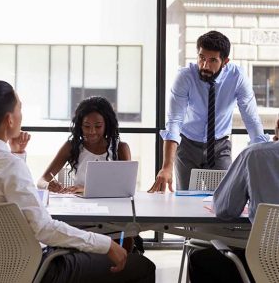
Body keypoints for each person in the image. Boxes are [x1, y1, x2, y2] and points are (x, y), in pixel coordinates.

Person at [0, 80, 155, 283]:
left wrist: (17, 154)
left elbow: (6, 195)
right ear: (10, 120)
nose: (22, 113)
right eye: (20, 108)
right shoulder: (10, 165)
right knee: (142, 266)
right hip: (40, 269)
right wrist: (105, 243)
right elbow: (44, 229)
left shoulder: (2, 162)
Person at [149, 30, 269, 192]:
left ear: (225, 61)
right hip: (188, 146)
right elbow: (175, 121)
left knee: (224, 199)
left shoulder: (237, 77)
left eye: (212, 60)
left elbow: (251, 119)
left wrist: (264, 159)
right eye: (202, 58)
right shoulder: (185, 77)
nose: (205, 65)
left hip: (219, 146)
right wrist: (167, 167)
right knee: (186, 201)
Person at [188, 127, 279, 283]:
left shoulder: (253, 154)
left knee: (200, 259)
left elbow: (224, 209)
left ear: (277, 127)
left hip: (267, 262)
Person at [38, 96, 130, 194]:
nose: (92, 131)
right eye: (86, 126)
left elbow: (127, 188)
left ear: (107, 125)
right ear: (80, 126)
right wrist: (48, 185)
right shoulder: (71, 146)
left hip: (112, 205)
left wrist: (85, 189)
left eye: (98, 126)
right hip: (79, 205)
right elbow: (41, 181)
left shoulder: (120, 148)